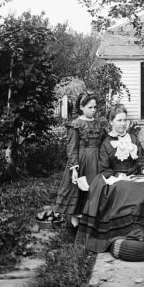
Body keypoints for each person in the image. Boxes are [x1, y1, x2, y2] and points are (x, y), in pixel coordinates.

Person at [75, 104, 144, 253]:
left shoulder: (133, 139)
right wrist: (119, 176)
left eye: (124, 120)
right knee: (124, 187)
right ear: (111, 122)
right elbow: (104, 168)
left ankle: (143, 227)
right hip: (115, 178)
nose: (123, 124)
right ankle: (126, 229)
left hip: (134, 174)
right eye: (119, 120)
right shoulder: (106, 144)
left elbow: (141, 159)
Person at [53, 92, 107, 226]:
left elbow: (105, 141)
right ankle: (75, 225)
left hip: (97, 161)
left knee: (94, 189)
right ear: (82, 107)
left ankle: (92, 222)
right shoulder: (76, 124)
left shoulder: (98, 124)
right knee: (79, 190)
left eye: (95, 107)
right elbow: (72, 148)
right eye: (90, 107)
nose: (93, 110)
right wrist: (74, 168)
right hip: (82, 162)